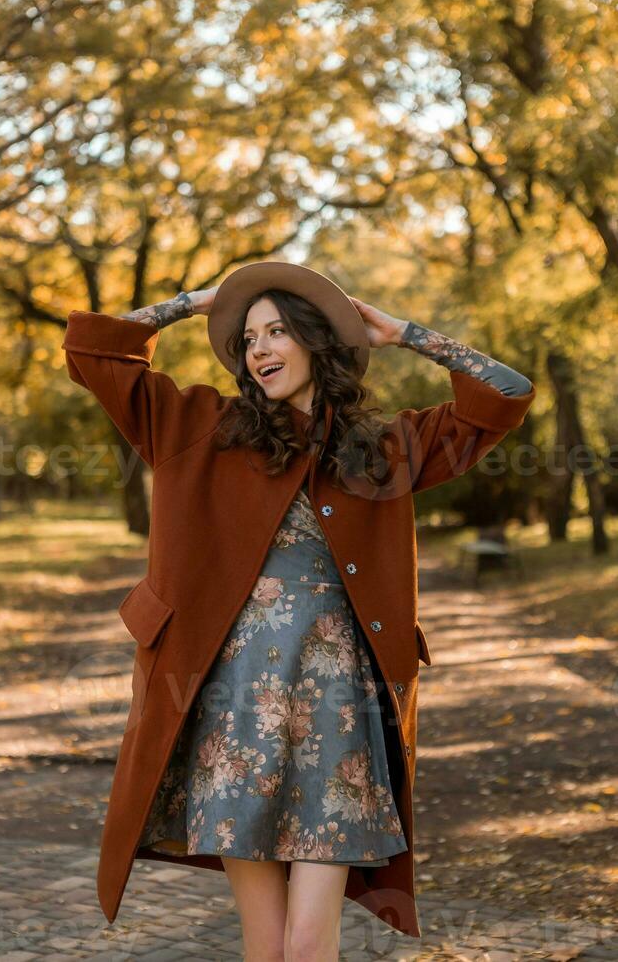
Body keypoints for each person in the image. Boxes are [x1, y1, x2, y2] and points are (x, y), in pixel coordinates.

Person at [93, 264, 531, 961]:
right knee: (265, 947)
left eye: (276, 332)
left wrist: (408, 335)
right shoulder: (198, 427)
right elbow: (94, 353)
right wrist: (193, 303)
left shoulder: (386, 448)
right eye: (246, 338)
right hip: (233, 712)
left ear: (316, 342)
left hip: (339, 714)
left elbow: (505, 395)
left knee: (307, 942)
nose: (258, 349)